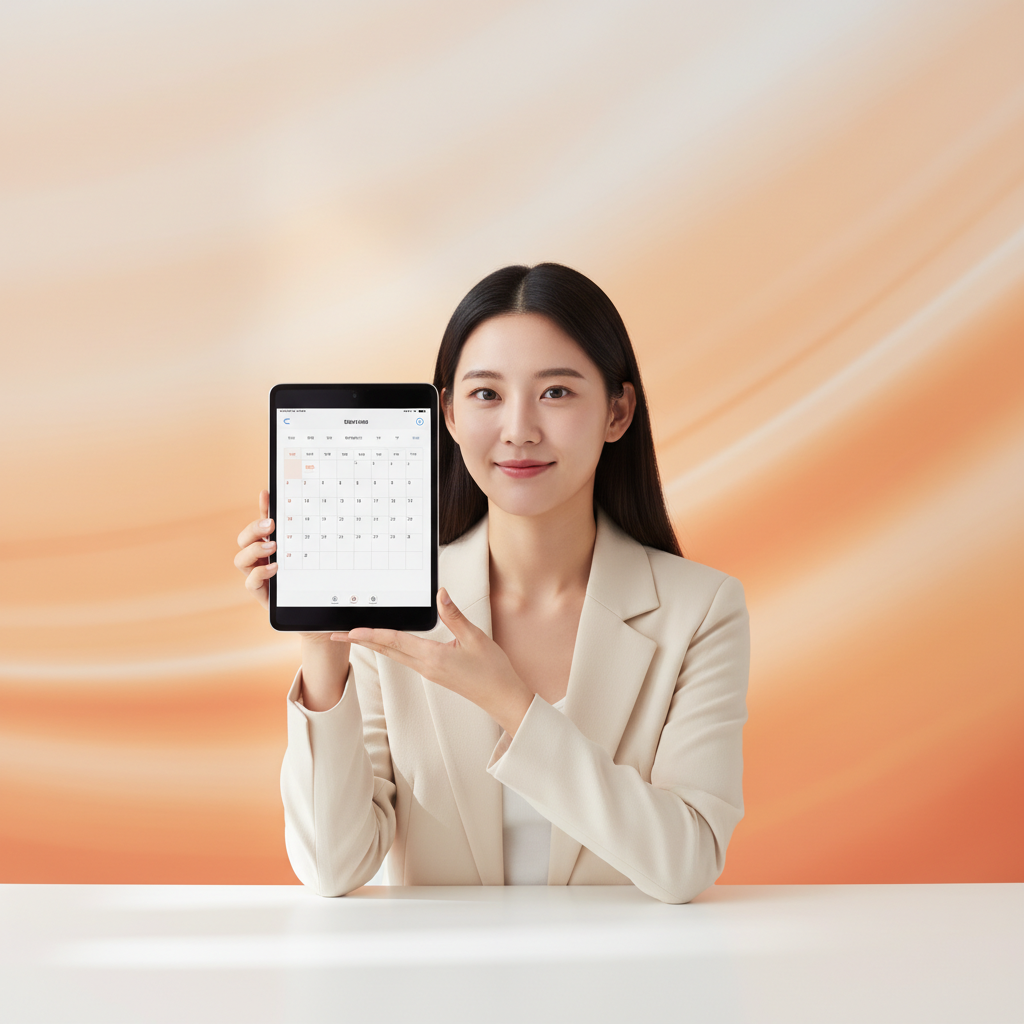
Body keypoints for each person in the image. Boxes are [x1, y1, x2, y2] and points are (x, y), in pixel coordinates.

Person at [234, 263, 749, 904]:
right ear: (446, 413)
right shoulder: (398, 603)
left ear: (618, 411)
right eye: (486, 395)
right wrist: (324, 642)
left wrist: (511, 704)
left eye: (556, 393)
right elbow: (333, 867)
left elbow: (686, 865)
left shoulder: (700, 611)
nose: (519, 429)